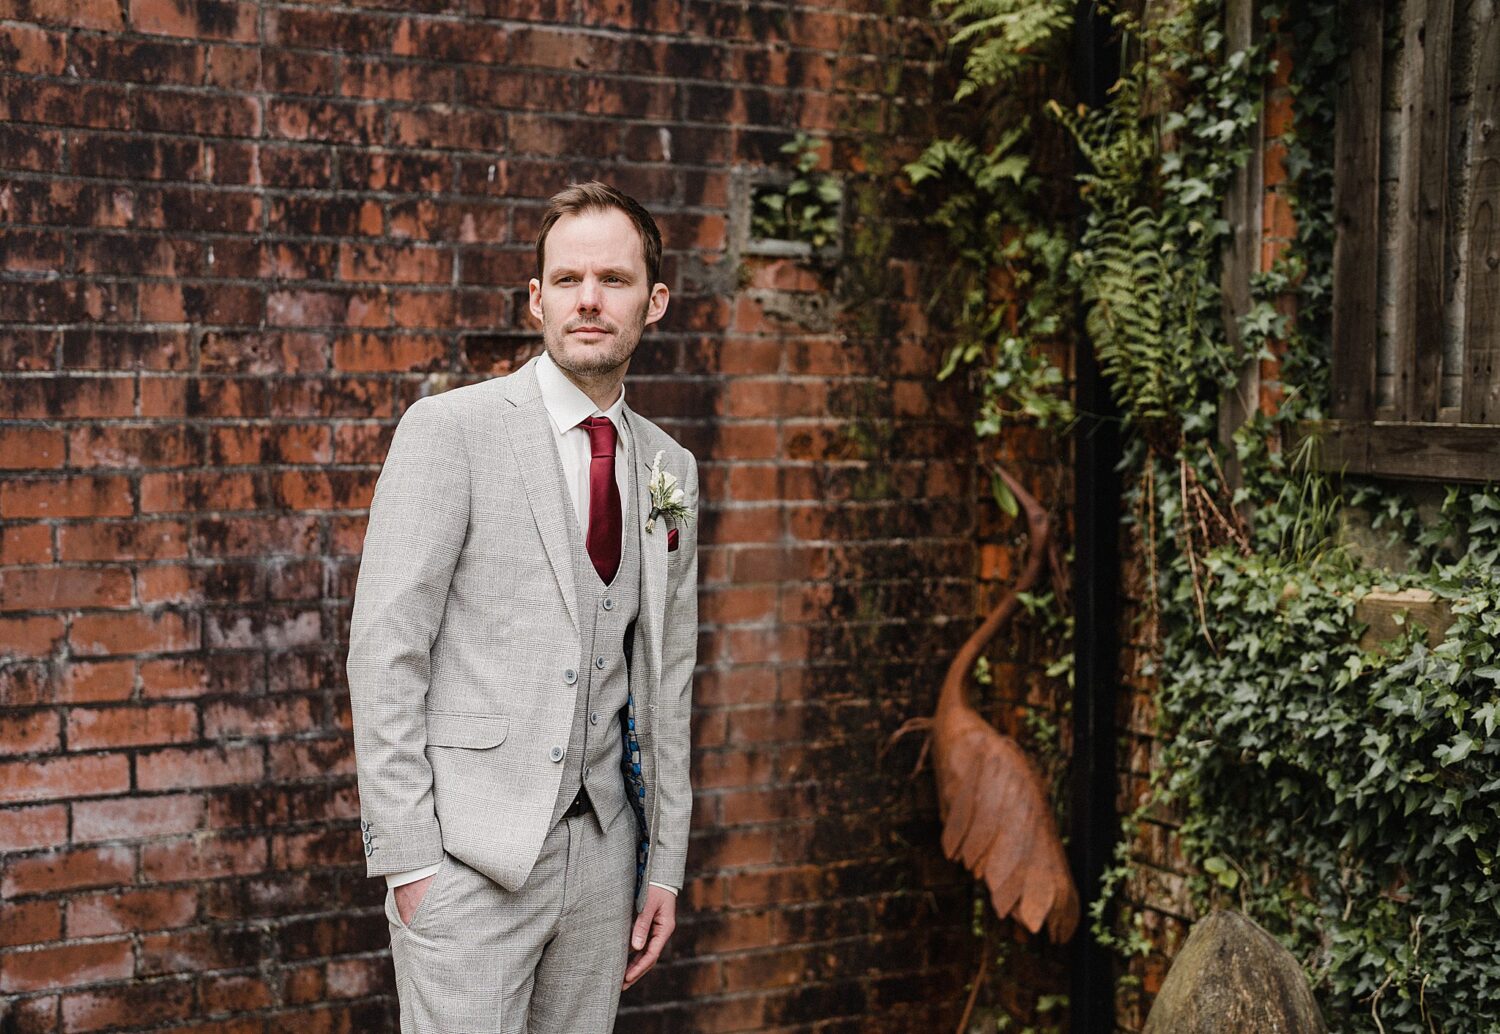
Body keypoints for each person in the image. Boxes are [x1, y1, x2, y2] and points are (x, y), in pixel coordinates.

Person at [346, 181, 699, 1033]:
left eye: (614, 280)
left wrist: (663, 866)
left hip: (607, 857)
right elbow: (385, 650)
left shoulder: (669, 468)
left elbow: (669, 676)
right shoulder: (450, 431)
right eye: (568, 279)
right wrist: (409, 864)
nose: (589, 300)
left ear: (652, 303)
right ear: (536, 298)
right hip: (469, 863)